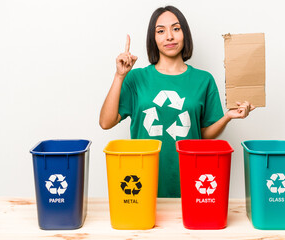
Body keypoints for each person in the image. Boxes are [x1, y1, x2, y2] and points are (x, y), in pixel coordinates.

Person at [99, 5, 255, 197]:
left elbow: (203, 135)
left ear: (185, 34)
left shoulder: (203, 80)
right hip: (141, 179)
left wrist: (228, 117)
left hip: (190, 177)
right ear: (153, 39)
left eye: (176, 28)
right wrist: (119, 76)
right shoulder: (136, 78)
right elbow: (106, 122)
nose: (169, 37)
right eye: (161, 31)